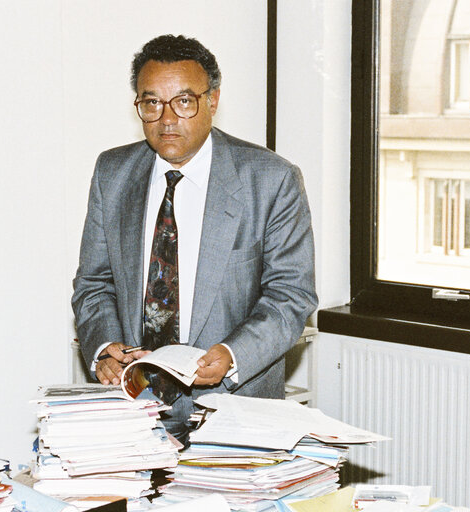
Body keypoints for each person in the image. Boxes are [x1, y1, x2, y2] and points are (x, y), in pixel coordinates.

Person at [72, 34, 317, 438]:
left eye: (183, 101)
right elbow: (94, 282)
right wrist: (104, 348)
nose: (167, 119)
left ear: (213, 101)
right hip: (133, 406)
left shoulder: (271, 179)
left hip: (234, 405)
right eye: (151, 103)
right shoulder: (112, 172)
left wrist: (233, 355)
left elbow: (291, 294)